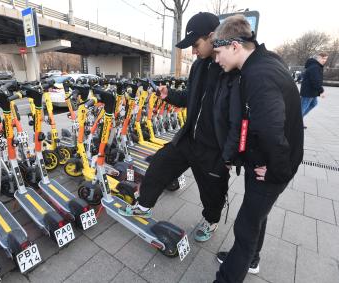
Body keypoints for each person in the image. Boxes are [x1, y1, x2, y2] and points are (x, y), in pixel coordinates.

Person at [118, 12, 242, 243]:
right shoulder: (198, 67)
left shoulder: (231, 69)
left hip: (213, 148)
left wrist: (232, 152)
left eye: (196, 44)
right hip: (189, 138)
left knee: (212, 190)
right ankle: (143, 205)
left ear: (212, 36)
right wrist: (169, 95)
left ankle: (211, 220)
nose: (193, 51)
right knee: (159, 164)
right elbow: (190, 98)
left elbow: (239, 115)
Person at [211, 15, 304, 283]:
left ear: (235, 46)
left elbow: (272, 131)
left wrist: (276, 172)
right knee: (257, 215)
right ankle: (251, 259)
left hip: (273, 165)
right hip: (265, 160)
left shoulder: (259, 75)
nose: (217, 60)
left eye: (219, 52)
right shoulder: (264, 61)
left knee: (245, 226)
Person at [300, 52, 328, 127]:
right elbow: (315, 80)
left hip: (311, 91)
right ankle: (296, 122)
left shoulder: (316, 66)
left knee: (313, 104)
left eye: (325, 59)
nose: (324, 60)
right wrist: (321, 90)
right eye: (323, 58)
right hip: (308, 91)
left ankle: (298, 120)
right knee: (302, 108)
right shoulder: (315, 67)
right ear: (318, 58)